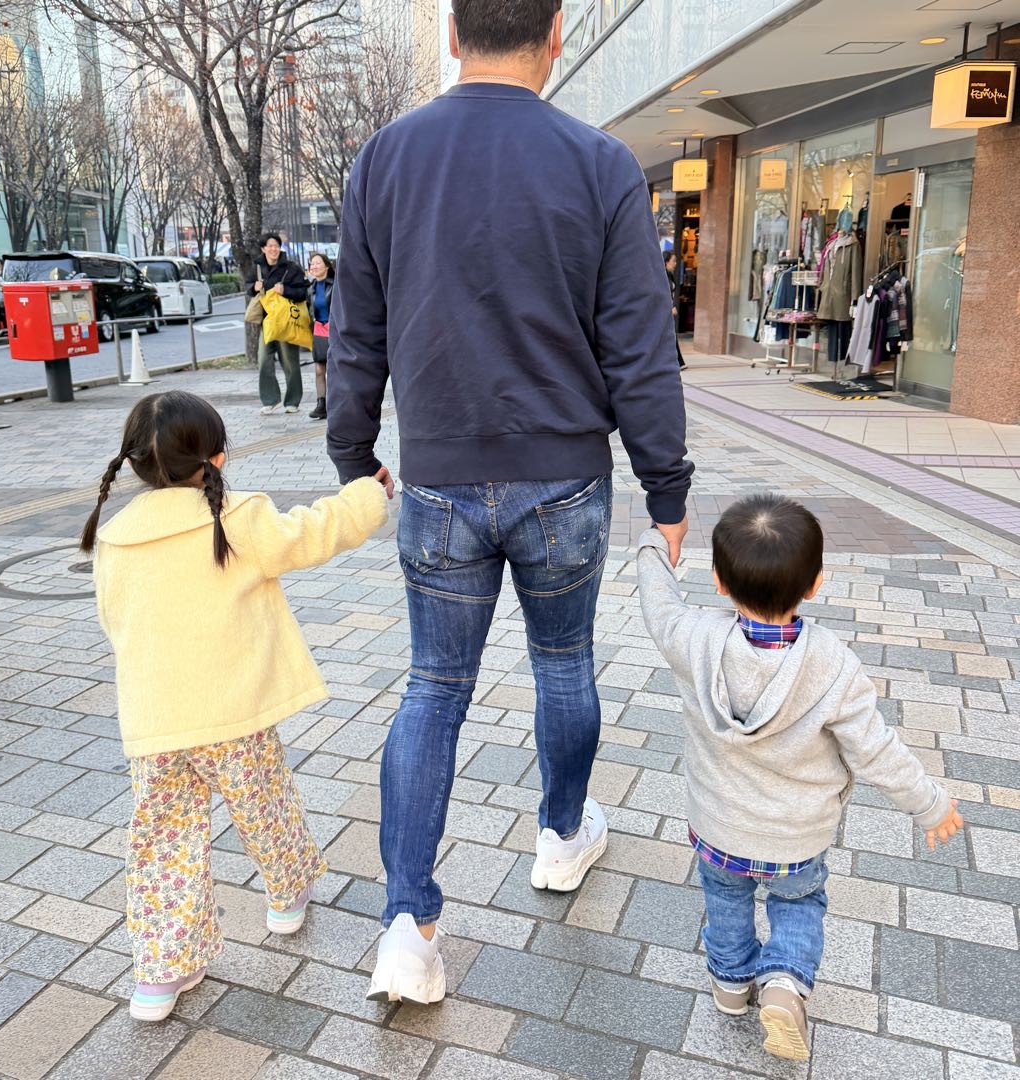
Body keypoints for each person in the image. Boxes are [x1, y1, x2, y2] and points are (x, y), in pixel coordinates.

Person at [328, 0, 692, 1004]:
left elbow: (357, 328)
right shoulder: (601, 163)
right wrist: (666, 485)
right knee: (563, 661)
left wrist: (353, 452)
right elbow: (640, 344)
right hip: (564, 476)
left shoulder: (384, 159)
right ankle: (563, 837)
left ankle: (407, 924)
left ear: (452, 34)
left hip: (439, 476)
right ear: (557, 31)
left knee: (432, 687)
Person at [80, 389, 391, 1023]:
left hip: (157, 720)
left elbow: (115, 622)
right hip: (234, 713)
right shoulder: (238, 517)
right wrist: (367, 495)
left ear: (134, 464)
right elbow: (312, 534)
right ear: (218, 457)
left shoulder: (115, 536)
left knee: (163, 839)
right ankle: (286, 898)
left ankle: (161, 975)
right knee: (263, 805)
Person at [636, 494, 964, 1063]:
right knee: (800, 902)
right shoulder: (833, 665)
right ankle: (785, 984)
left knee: (725, 898)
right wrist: (930, 804)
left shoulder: (693, 639)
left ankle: (731, 987)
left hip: (718, 828)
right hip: (797, 838)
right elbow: (876, 751)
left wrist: (654, 544)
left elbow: (657, 604)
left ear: (718, 581)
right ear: (814, 585)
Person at [244, 232, 308, 415]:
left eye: (276, 246)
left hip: (286, 322)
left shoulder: (291, 268)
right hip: (267, 322)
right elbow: (248, 286)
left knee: (290, 362)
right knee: (264, 360)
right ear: (263, 249)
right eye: (270, 246)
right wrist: (253, 287)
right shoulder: (257, 267)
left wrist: (285, 290)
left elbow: (302, 292)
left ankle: (293, 401)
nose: (273, 249)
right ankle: (270, 400)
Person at [306, 252, 334, 420]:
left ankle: (335, 403)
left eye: (318, 263)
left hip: (334, 330)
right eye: (312, 263)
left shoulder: (335, 285)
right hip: (318, 330)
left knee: (333, 369)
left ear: (327, 266)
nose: (314, 266)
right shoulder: (311, 288)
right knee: (319, 369)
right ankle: (321, 404)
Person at [664, 251, 686, 369]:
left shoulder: (670, 275)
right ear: (666, 262)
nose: (675, 263)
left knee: (670, 334)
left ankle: (678, 361)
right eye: (673, 261)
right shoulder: (662, 276)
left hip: (667, 310)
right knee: (670, 334)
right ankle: (679, 361)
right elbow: (663, 294)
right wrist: (670, 307)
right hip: (664, 311)